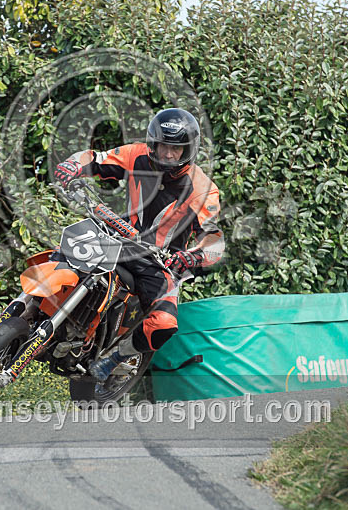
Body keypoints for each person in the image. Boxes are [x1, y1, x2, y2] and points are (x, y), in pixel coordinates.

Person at [53, 108, 224, 382]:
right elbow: (97, 159)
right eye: (162, 146)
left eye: (175, 149)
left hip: (159, 260)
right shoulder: (136, 154)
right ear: (152, 142)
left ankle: (115, 357)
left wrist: (192, 257)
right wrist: (73, 165)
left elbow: (213, 237)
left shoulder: (203, 189)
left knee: (164, 324)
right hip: (116, 234)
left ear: (188, 150)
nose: (167, 154)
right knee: (65, 250)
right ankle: (31, 313)